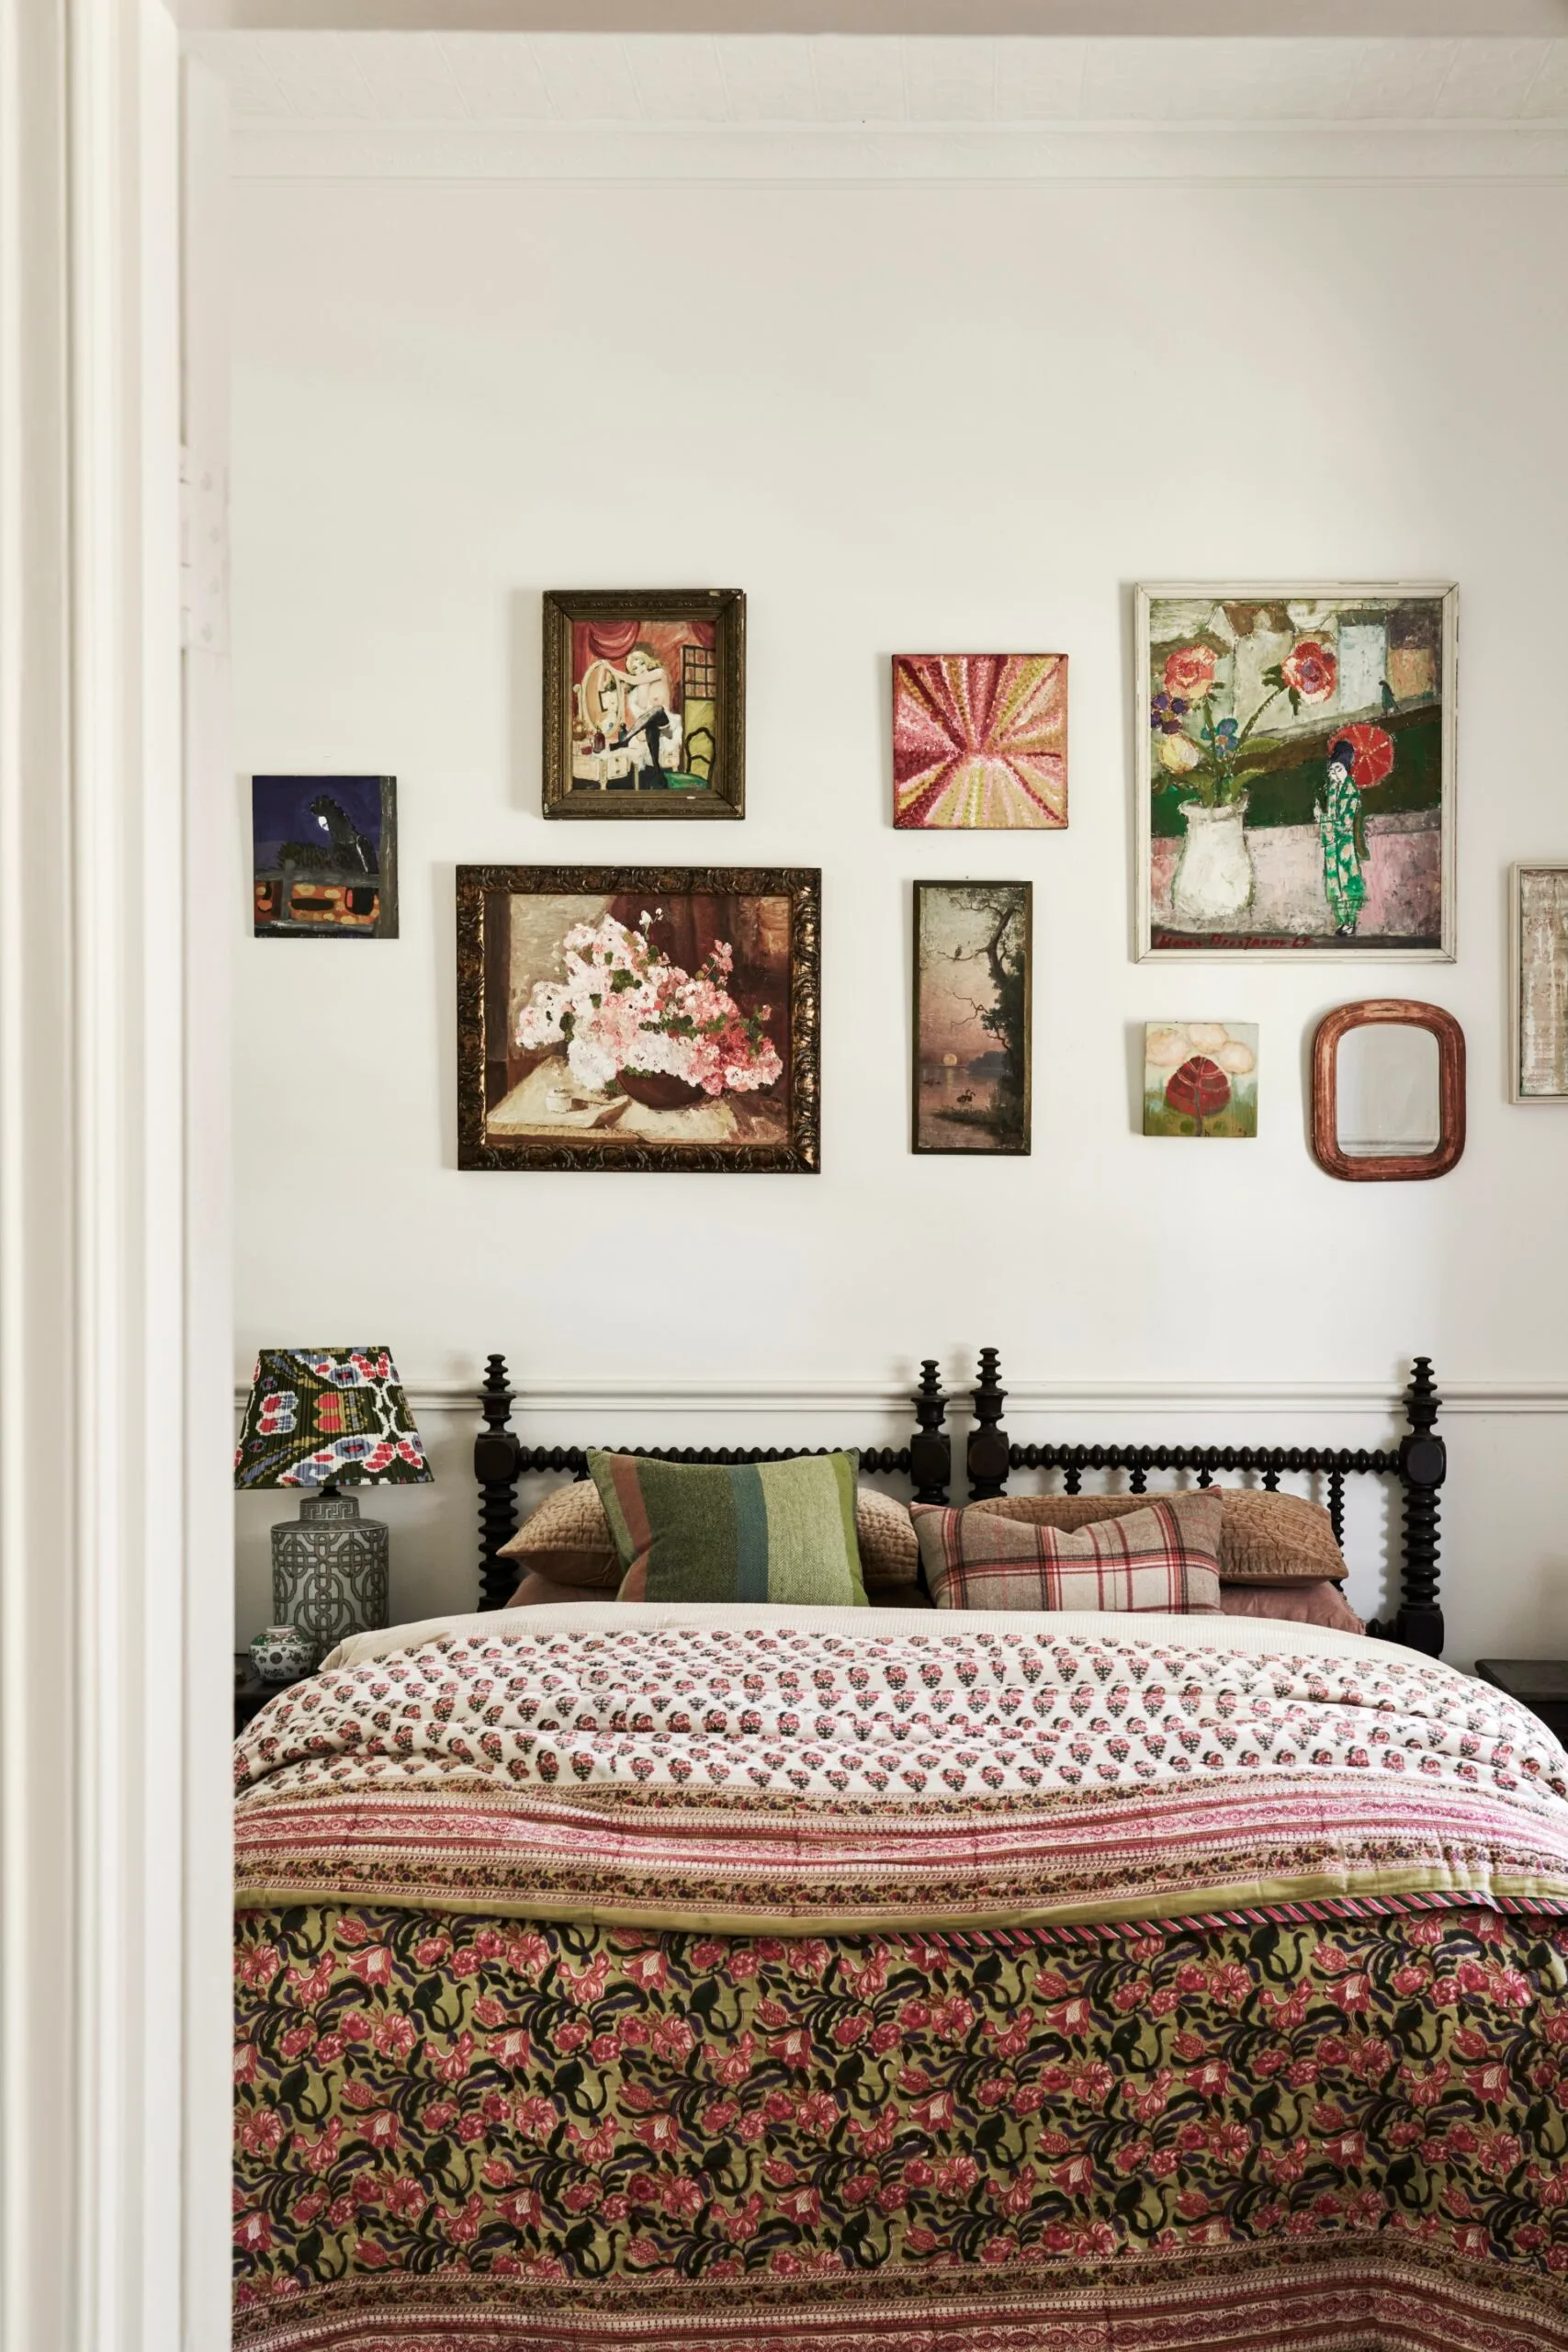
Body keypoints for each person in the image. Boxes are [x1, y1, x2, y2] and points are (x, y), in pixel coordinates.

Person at [1316, 736, 1367, 937]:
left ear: (1346, 769)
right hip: (1331, 843)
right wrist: (1321, 816)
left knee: (1347, 880)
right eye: (1332, 770)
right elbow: (1330, 816)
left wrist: (1325, 819)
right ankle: (1341, 921)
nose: (1334, 774)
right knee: (1333, 882)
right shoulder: (1331, 790)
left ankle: (1350, 921)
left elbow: (1345, 822)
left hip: (1344, 843)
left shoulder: (1351, 792)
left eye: (1339, 769)